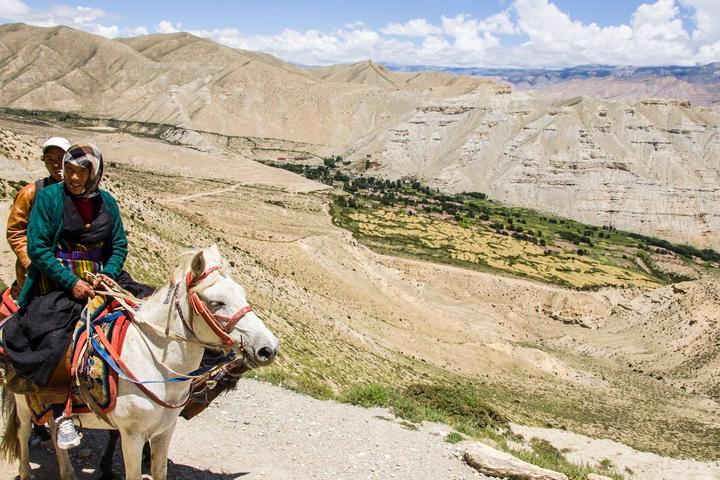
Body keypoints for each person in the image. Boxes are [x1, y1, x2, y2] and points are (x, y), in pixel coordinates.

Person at [3, 143, 128, 450]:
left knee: (145, 314)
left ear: (94, 173)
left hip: (101, 279)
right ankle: (60, 413)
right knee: (55, 335)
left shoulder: (108, 203)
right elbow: (38, 249)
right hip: (56, 280)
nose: (73, 177)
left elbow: (119, 246)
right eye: (69, 171)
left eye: (80, 172)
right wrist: (71, 282)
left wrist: (107, 274)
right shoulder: (47, 198)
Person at [6, 137, 71, 299]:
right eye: (50, 159)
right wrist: (32, 263)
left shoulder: (80, 193)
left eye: (60, 158)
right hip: (37, 270)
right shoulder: (30, 193)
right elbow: (15, 232)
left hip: (71, 268)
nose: (55, 164)